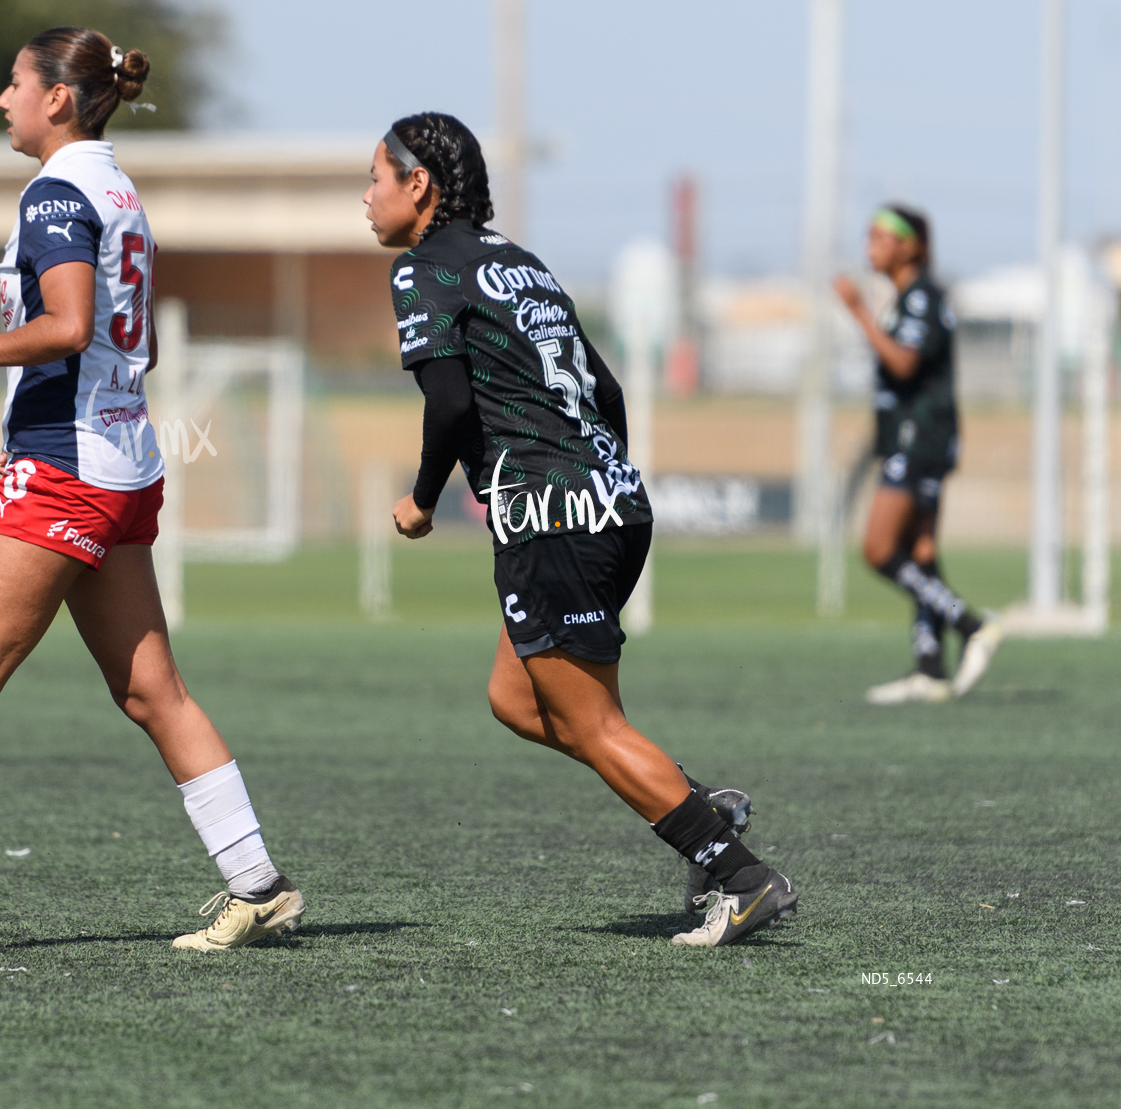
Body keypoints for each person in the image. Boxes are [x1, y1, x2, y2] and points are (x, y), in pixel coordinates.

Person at [0, 28, 303, 955]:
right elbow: (140, 344)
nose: (1, 100)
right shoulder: (120, 188)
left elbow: (70, 323)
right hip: (123, 462)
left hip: (64, 467)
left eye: (13, 83)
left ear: (59, 100)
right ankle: (258, 883)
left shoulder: (56, 191)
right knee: (152, 688)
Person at [370, 111, 793, 947]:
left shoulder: (423, 271)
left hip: (555, 513)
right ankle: (700, 804)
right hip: (612, 497)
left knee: (593, 723)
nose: (367, 198)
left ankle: (741, 875)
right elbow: (606, 391)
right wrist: (594, 481)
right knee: (517, 699)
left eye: (375, 179)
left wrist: (423, 499)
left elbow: (451, 404)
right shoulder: (523, 265)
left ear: (417, 185)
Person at [833, 206, 1003, 704]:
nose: (871, 244)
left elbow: (904, 363)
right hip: (915, 435)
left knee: (879, 550)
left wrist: (858, 310)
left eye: (883, 237)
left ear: (912, 247)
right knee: (922, 555)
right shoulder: (911, 298)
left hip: (919, 437)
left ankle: (973, 626)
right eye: (869, 235)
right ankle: (930, 669)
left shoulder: (922, 297)